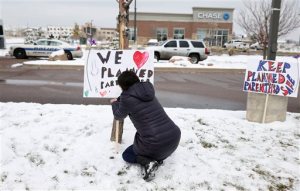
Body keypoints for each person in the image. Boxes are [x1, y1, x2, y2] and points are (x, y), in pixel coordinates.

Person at [110, 71, 181, 181]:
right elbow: (133, 97)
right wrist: (120, 99)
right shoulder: (147, 90)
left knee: (127, 154)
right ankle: (158, 158)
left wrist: (114, 103)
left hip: (155, 143)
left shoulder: (126, 98)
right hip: (174, 137)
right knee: (141, 141)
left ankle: (149, 162)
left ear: (123, 86)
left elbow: (118, 116)